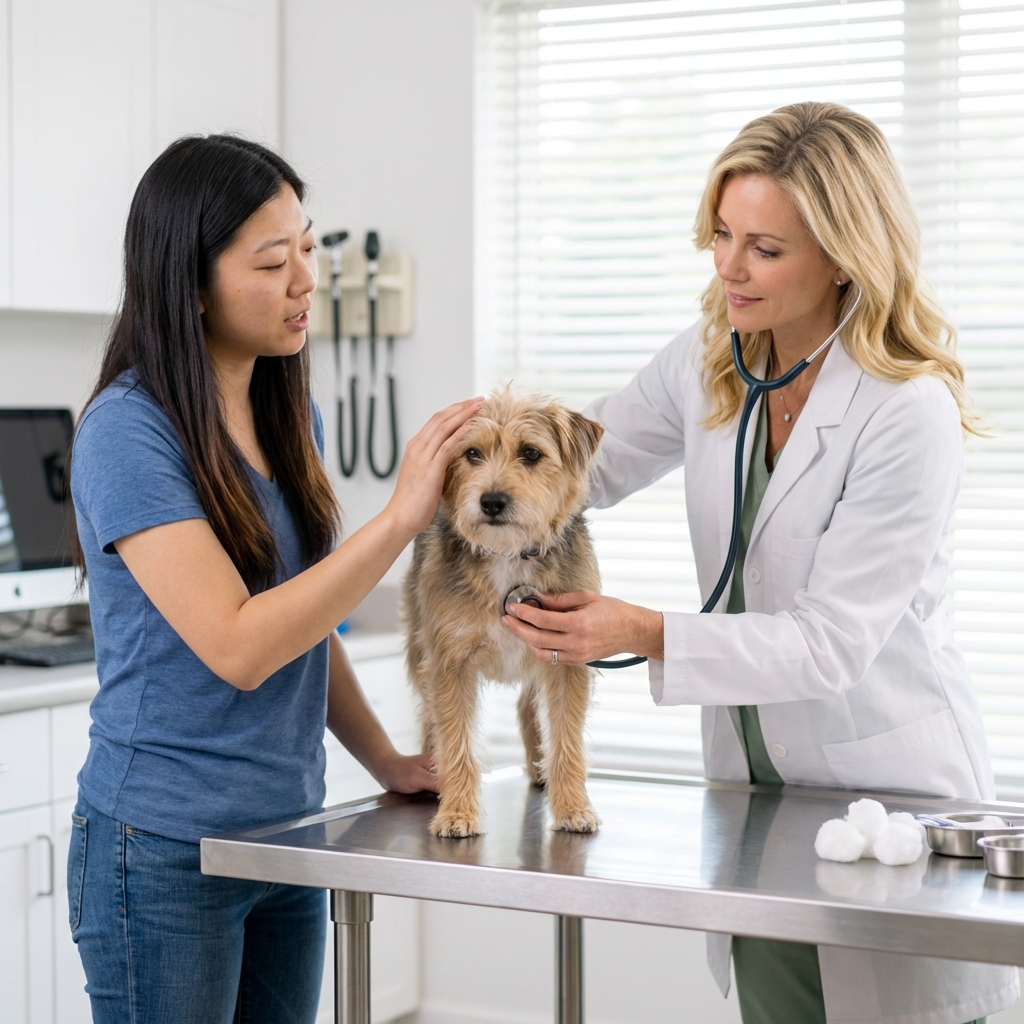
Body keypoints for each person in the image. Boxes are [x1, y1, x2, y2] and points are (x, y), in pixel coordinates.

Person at [501, 102, 1019, 1024]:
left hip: (886, 801)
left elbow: (831, 645)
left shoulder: (907, 412)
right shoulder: (712, 359)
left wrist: (642, 631)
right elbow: (587, 467)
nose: (729, 268)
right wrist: (475, 461)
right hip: (758, 811)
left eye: (765, 249)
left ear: (844, 255)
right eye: (723, 234)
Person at [68, 134, 481, 1024]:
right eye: (271, 260)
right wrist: (401, 516)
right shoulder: (126, 432)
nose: (306, 280)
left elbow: (304, 625)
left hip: (284, 836)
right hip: (164, 847)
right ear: (191, 280)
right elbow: (241, 646)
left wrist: (387, 761)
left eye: (309, 248)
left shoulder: (289, 412)